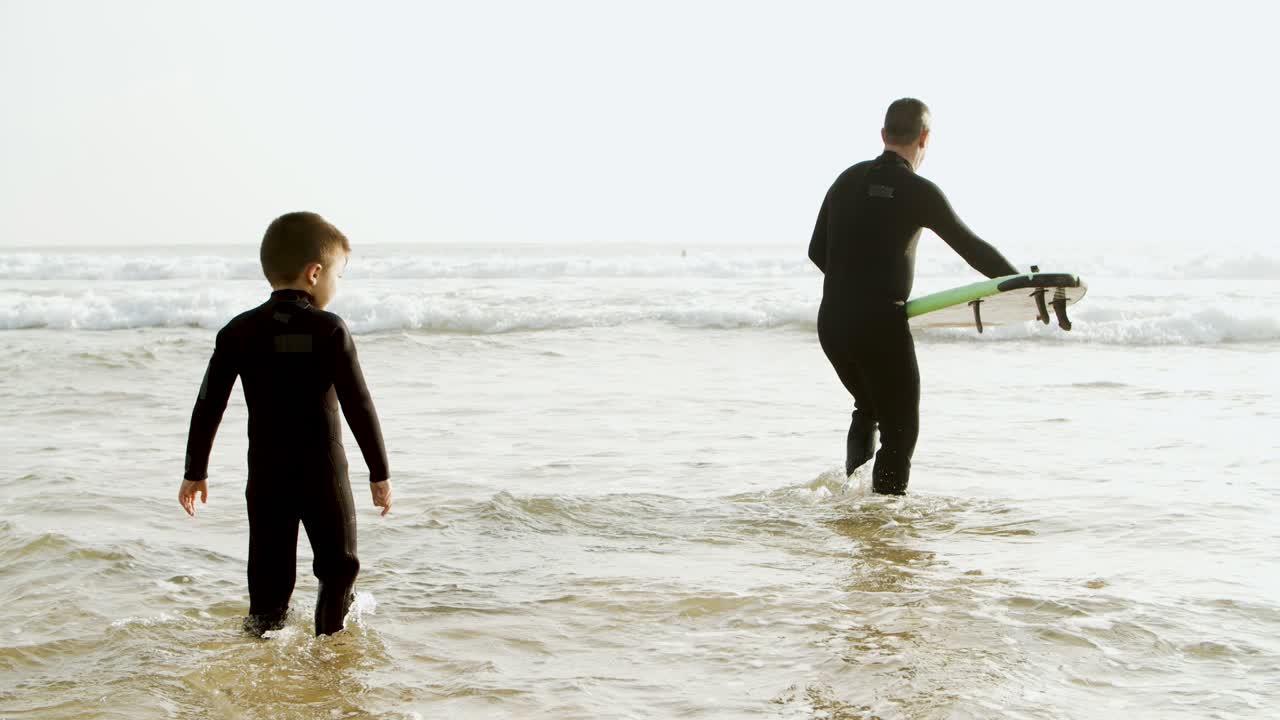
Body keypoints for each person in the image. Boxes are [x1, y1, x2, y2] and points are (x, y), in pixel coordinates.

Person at [178, 211, 393, 636]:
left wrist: (194, 472)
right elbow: (358, 404)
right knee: (337, 569)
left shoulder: (239, 331)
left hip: (267, 476)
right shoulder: (329, 329)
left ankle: (259, 659)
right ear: (315, 273)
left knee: (269, 576)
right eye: (338, 275)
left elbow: (208, 404)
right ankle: (328, 659)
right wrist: (380, 474)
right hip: (323, 474)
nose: (336, 284)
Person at [808, 98, 1019, 495]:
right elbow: (971, 247)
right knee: (900, 433)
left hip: (833, 323)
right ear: (925, 139)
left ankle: (852, 498)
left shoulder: (845, 180)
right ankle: (882, 524)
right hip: (879, 325)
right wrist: (1022, 280)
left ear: (884, 135)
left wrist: (853, 288)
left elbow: (816, 251)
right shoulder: (918, 190)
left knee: (868, 406)